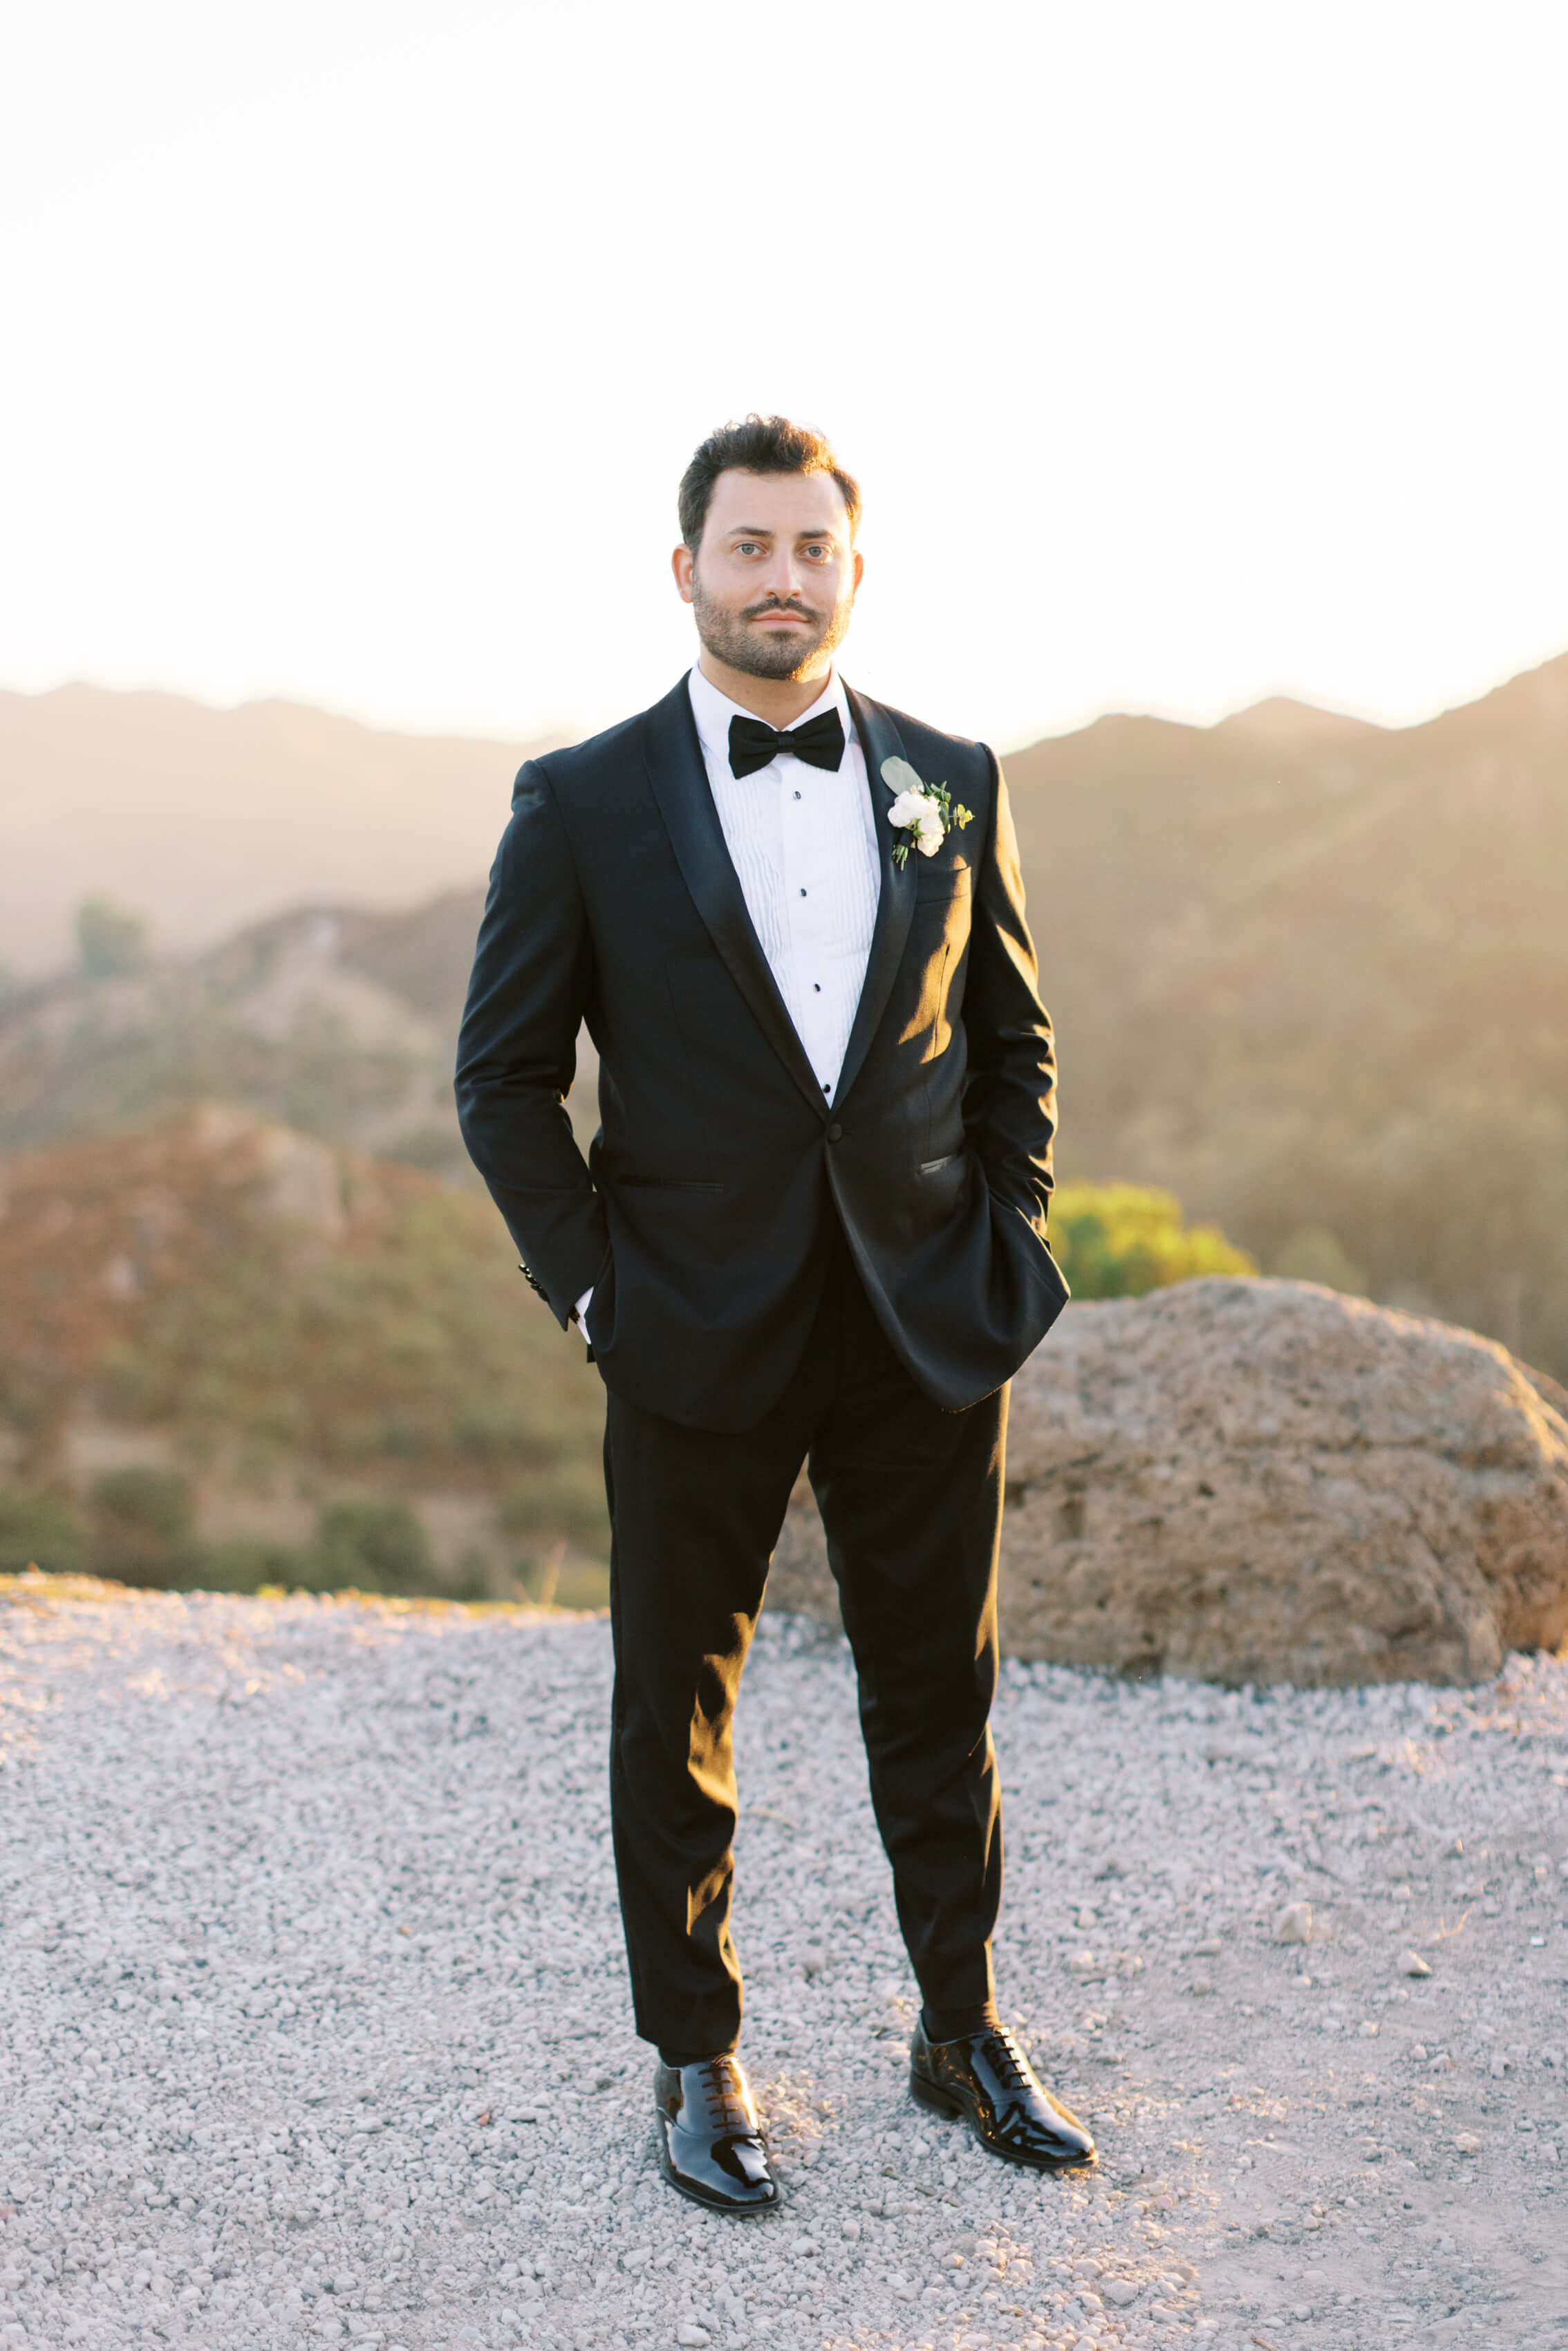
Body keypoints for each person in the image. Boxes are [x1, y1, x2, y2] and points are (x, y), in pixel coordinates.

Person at [455, 414, 1095, 2215]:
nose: (779, 578)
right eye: (747, 548)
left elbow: (1012, 1049)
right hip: (685, 1330)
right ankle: (696, 2056)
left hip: (919, 1329)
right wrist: (593, 1290)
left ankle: (955, 2028)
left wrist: (1005, 1250)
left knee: (937, 1700)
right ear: (687, 571)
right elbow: (503, 1079)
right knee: (674, 1706)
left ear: (851, 571)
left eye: (810, 548)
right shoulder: (577, 800)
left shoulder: (954, 777)